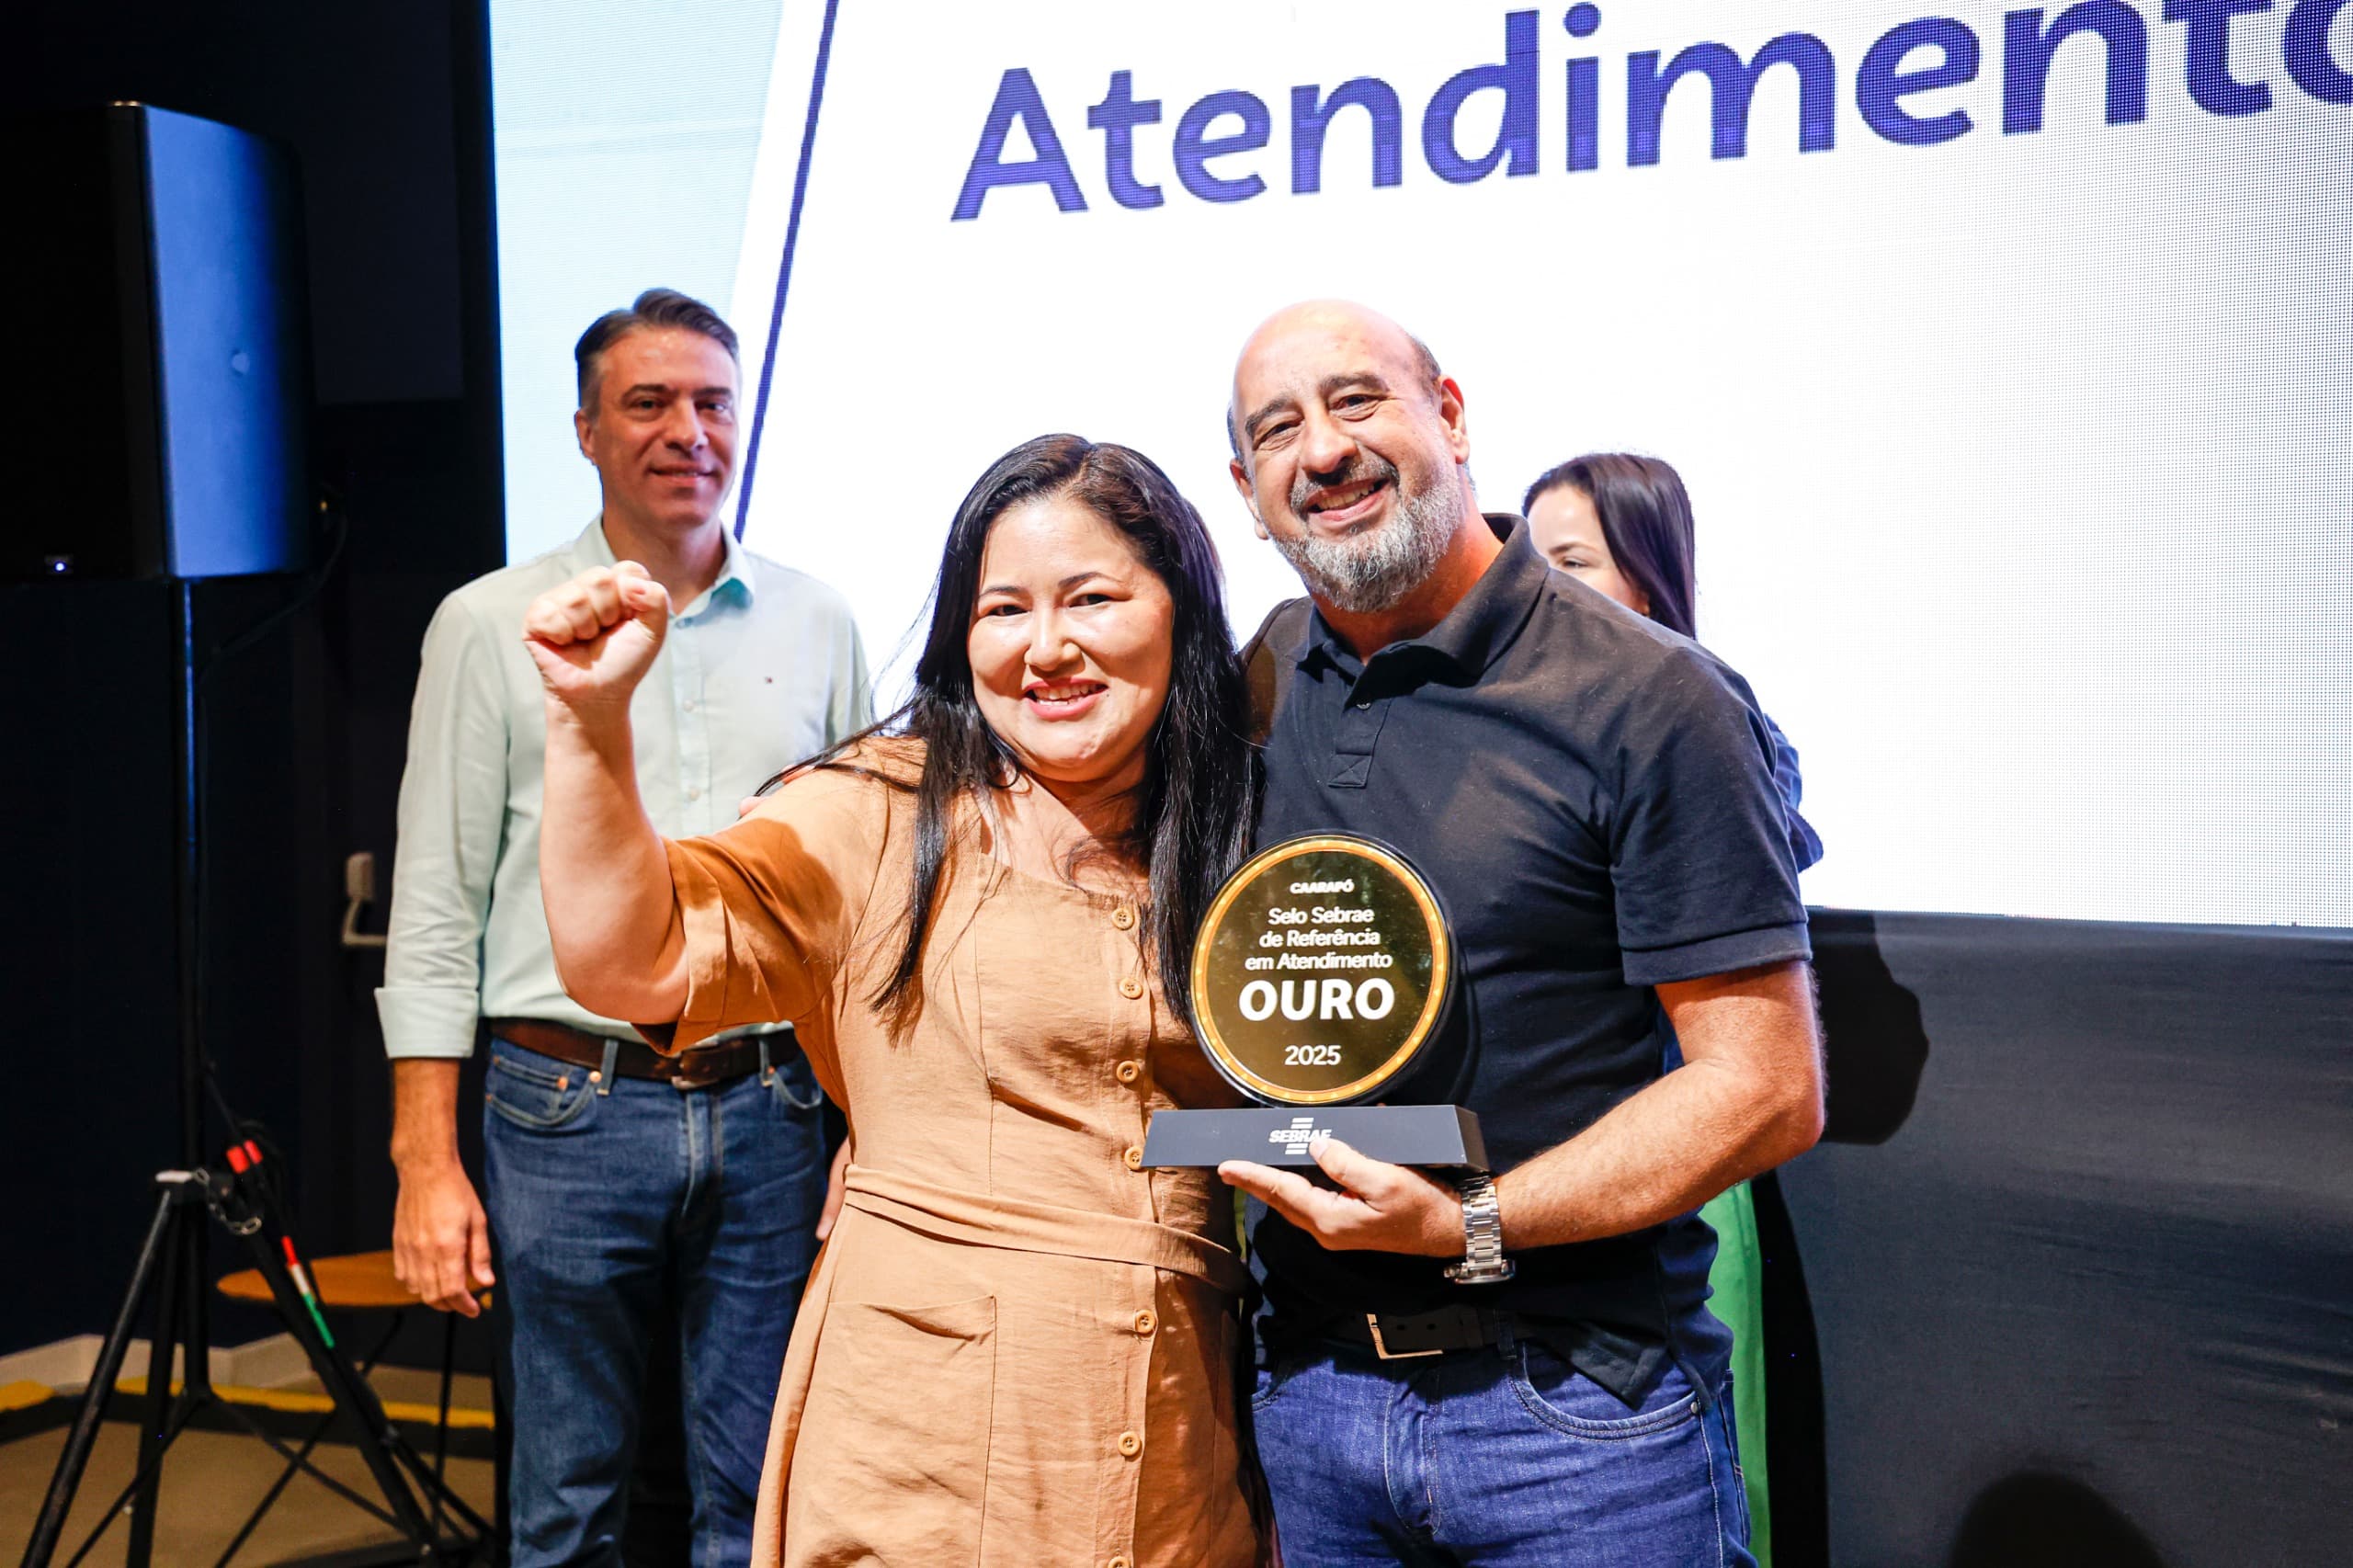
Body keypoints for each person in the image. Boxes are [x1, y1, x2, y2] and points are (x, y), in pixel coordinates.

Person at [524, 434, 1267, 1568]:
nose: (1046, 646)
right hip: (921, 1456)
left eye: (1092, 598)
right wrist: (588, 719)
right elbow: (633, 958)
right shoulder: (878, 811)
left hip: (1175, 1453)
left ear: (1180, 610)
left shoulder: (1242, 821)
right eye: (1002, 609)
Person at [1219, 301, 1824, 1568]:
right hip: (1311, 1403)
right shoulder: (1258, 681)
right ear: (1245, 488)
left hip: (1576, 1418)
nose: (1322, 449)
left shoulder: (1652, 694)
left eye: (1357, 399)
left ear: (1449, 416)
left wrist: (1469, 1224)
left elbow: (1764, 1088)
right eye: (1278, 429)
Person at [377, 289, 869, 1567]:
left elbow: (862, 905)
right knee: (567, 1507)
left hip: (772, 1105)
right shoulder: (489, 623)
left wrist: (865, 1130)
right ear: (587, 431)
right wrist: (425, 1162)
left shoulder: (818, 619)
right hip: (565, 1107)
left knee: (759, 1499)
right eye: (648, 403)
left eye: (712, 401)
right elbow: (434, 903)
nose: (687, 430)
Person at [1523, 450, 1825, 1566]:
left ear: (1646, 580)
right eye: (1527, 565)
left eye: (1570, 563)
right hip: (1544, 1188)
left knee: (1706, 1453)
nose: (1538, 592)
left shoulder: (1704, 718)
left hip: (1672, 1158)